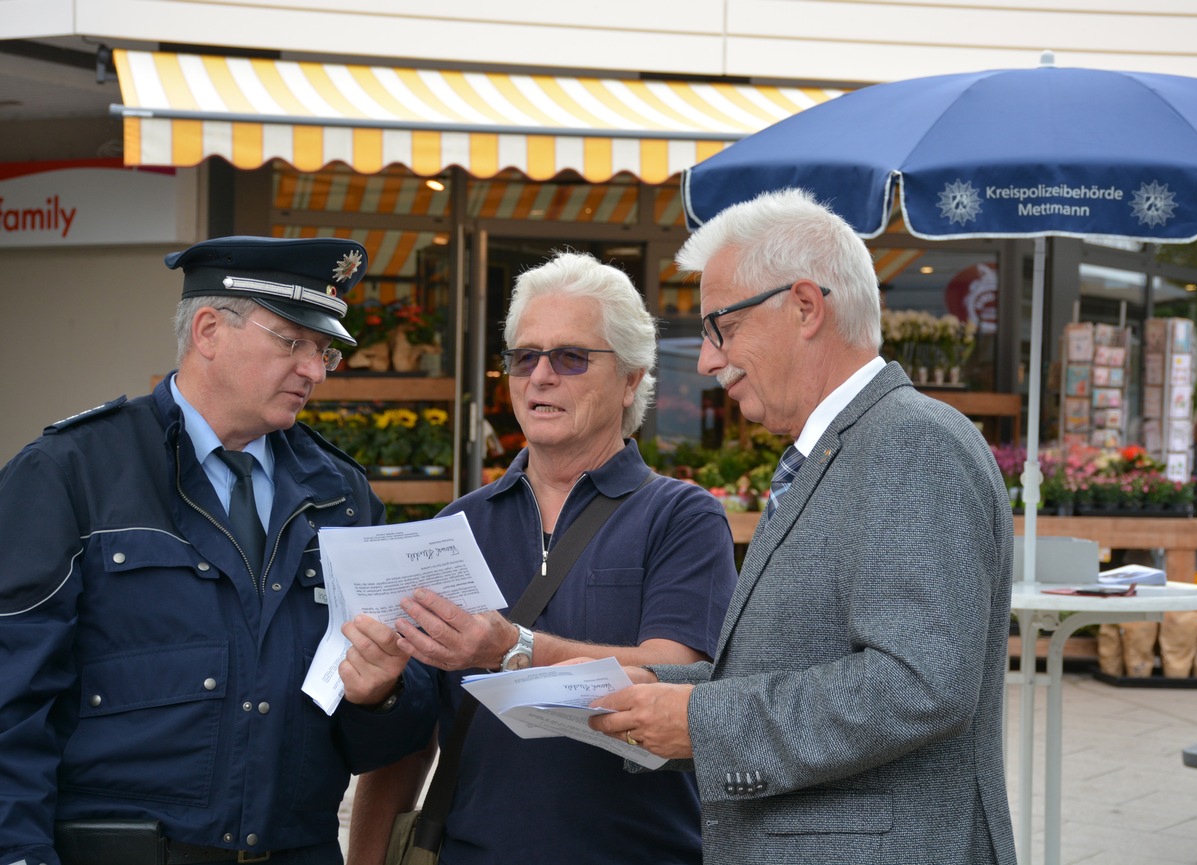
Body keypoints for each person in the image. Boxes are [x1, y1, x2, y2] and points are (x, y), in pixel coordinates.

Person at [590, 189, 1018, 865]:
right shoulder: (844, 448)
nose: (706, 360)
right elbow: (802, 664)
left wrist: (701, 721)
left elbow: (919, 684)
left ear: (805, 307)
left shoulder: (912, 442)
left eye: (719, 327)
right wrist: (660, 697)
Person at [0, 236, 435, 865]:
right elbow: (12, 704)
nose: (313, 371)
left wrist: (382, 696)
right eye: (292, 342)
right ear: (208, 330)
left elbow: (378, 743)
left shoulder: (341, 496)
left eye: (323, 352)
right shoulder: (69, 475)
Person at [348, 251, 738, 865]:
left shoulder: (681, 517)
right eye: (525, 357)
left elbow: (672, 674)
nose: (540, 377)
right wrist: (378, 688)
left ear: (632, 378)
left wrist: (514, 650)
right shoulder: (456, 525)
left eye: (570, 357)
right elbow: (410, 743)